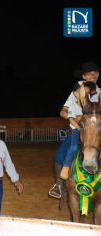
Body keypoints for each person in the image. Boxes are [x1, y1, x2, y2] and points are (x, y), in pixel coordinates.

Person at [49, 61, 100, 199]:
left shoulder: (99, 92)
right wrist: (68, 114)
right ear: (84, 76)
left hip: (95, 131)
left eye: (96, 73)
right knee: (59, 156)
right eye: (90, 73)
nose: (93, 75)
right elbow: (63, 111)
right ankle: (59, 186)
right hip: (77, 131)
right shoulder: (76, 90)